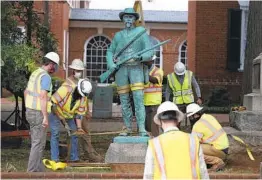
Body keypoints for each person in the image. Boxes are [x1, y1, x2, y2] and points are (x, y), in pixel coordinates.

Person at [106, 8, 153, 136]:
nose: (128, 20)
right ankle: (127, 127)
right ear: (122, 19)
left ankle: (141, 128)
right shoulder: (118, 35)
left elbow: (150, 51)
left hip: (136, 68)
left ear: (134, 19)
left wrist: (142, 57)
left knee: (138, 98)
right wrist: (111, 64)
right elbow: (110, 51)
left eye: (131, 17)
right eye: (126, 17)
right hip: (121, 69)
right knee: (124, 99)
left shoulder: (141, 33)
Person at [143, 101, 209, 179]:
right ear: (178, 121)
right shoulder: (193, 140)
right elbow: (203, 172)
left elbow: (148, 174)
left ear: (160, 122)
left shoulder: (154, 144)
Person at [24, 52, 60, 172]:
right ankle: (32, 171)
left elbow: (26, 92)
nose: (54, 68)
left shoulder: (35, 73)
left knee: (39, 141)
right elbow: (43, 96)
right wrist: (45, 117)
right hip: (38, 113)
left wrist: (28, 107)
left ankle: (38, 168)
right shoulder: (45, 77)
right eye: (54, 66)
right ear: (50, 64)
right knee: (38, 143)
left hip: (30, 111)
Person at [49, 78, 92, 162]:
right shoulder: (65, 89)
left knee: (74, 134)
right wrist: (61, 117)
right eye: (80, 94)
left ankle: (74, 158)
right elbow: (52, 103)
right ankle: (55, 159)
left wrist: (79, 128)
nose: (81, 96)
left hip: (69, 116)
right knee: (55, 133)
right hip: (56, 112)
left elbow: (79, 114)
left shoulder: (83, 98)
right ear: (77, 89)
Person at [186, 103, 229, 171]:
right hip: (224, 149)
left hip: (218, 150)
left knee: (191, 149)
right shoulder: (208, 116)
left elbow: (193, 142)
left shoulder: (197, 125)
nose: (191, 119)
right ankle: (214, 160)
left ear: (194, 115)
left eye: (191, 117)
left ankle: (217, 161)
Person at [143, 55, 163, 137]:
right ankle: (148, 141)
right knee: (146, 125)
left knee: (154, 125)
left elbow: (155, 80)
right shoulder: (143, 70)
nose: (144, 63)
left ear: (152, 61)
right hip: (143, 101)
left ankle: (156, 141)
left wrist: (143, 74)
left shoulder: (158, 71)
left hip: (154, 102)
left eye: (146, 61)